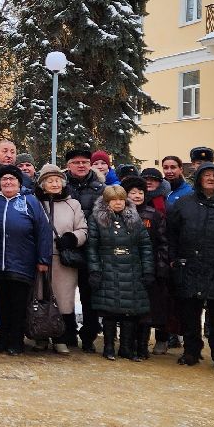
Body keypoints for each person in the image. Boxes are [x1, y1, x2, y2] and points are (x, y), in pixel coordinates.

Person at [165, 162, 214, 370]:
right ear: (199, 179)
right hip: (188, 265)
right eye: (206, 175)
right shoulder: (183, 203)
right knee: (190, 313)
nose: (210, 178)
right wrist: (173, 258)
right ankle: (191, 351)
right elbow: (171, 234)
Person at [0, 164, 52, 355]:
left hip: (22, 263)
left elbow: (43, 231)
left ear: (19, 183)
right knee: (1, 304)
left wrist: (43, 259)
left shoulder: (30, 201)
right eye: (4, 179)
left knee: (18, 305)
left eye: (12, 179)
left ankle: (16, 340)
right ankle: (1, 338)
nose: (8, 182)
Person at [86, 186, 154, 360]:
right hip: (108, 268)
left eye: (121, 199)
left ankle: (126, 347)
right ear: (107, 202)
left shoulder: (135, 219)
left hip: (132, 269)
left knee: (129, 311)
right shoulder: (96, 219)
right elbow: (92, 247)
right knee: (110, 311)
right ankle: (108, 347)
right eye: (114, 200)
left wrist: (147, 270)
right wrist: (94, 270)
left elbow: (145, 246)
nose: (118, 203)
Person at [34, 163, 86, 356]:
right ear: (42, 184)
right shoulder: (35, 203)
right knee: (40, 298)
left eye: (58, 180)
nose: (55, 184)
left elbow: (83, 229)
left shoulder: (73, 204)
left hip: (63, 260)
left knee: (63, 301)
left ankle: (60, 338)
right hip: (40, 259)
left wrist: (72, 238)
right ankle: (40, 336)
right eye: (50, 181)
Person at [63, 147, 105, 350]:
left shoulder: (101, 189)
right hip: (66, 246)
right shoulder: (60, 186)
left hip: (92, 249)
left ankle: (88, 336)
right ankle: (68, 332)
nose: (81, 165)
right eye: (76, 162)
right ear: (68, 165)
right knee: (65, 294)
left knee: (90, 295)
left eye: (84, 162)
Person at [126, 178, 171, 358]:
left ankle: (142, 346)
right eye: (133, 192)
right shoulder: (119, 213)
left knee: (146, 309)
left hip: (148, 269)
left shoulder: (153, 215)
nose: (137, 196)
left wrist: (160, 267)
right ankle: (128, 345)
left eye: (140, 192)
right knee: (128, 309)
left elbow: (163, 243)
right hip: (126, 269)